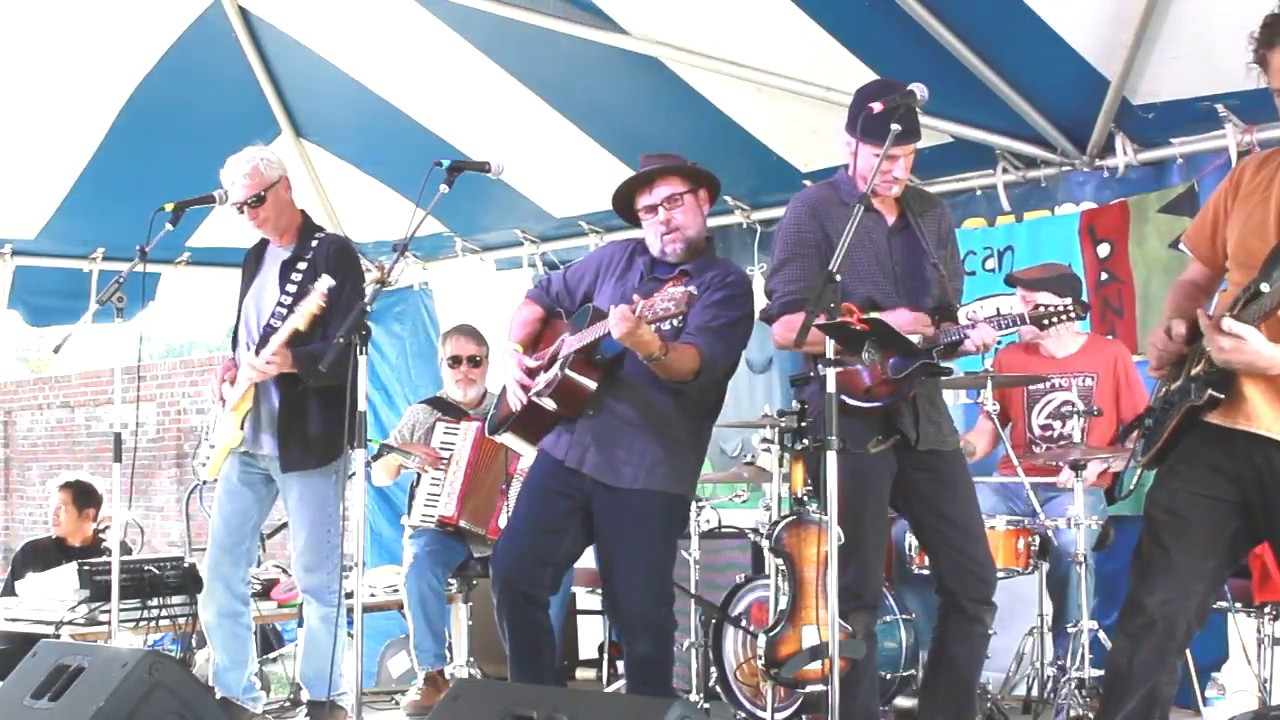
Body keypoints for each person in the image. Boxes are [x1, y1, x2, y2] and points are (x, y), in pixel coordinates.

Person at [758, 78, 1000, 720]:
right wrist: (877, 324)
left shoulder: (931, 216)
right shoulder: (814, 211)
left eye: (908, 159)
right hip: (843, 413)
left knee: (973, 582)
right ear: (851, 146)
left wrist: (963, 332)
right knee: (853, 589)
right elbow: (784, 326)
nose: (896, 171)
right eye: (884, 158)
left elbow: (942, 325)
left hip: (921, 412)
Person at [489, 153, 754, 697]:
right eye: (648, 209)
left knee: (640, 618)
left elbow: (694, 365)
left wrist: (648, 344)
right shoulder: (614, 258)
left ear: (704, 202)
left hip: (647, 469)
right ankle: (536, 707)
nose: (662, 216)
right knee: (513, 573)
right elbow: (540, 298)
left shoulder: (723, 285)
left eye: (673, 202)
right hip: (566, 448)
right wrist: (517, 351)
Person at [1096, 11, 1280, 718]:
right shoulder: (1250, 178)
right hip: (1216, 427)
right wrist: (1169, 329)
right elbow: (1197, 279)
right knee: (1153, 615)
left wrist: (1270, 357)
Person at [890, 263, 1149, 669]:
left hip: (1079, 488)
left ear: (1062, 306)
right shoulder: (1010, 358)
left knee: (1070, 544)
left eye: (1029, 301)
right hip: (1013, 487)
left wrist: (1098, 468)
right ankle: (920, 660)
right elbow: (983, 437)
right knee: (909, 530)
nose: (1019, 309)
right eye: (1019, 301)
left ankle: (1070, 669)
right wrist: (942, 457)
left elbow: (1139, 437)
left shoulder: (1110, 354)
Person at [198, 144, 365, 720]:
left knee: (316, 581)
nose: (249, 214)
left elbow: (345, 346)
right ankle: (235, 697)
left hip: (309, 441)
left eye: (255, 201)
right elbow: (244, 337)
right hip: (247, 437)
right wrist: (232, 367)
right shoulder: (252, 258)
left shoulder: (333, 255)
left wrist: (293, 362)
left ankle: (323, 698)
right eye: (240, 207)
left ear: (285, 187)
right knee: (220, 573)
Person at [371, 323, 574, 716]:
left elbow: (542, 463)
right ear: (442, 365)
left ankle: (535, 673)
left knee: (551, 564)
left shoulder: (511, 408)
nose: (465, 370)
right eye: (455, 361)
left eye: (474, 361)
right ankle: (432, 673)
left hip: (501, 529)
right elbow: (381, 474)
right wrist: (403, 452)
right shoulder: (424, 413)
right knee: (419, 566)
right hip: (440, 528)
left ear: (486, 364)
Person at [0, 475, 130, 679]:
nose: (52, 514)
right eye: (51, 506)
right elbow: (7, 605)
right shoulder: (32, 551)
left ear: (88, 514)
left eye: (61, 507)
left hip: (93, 654)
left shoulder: (112, 554)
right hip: (28, 651)